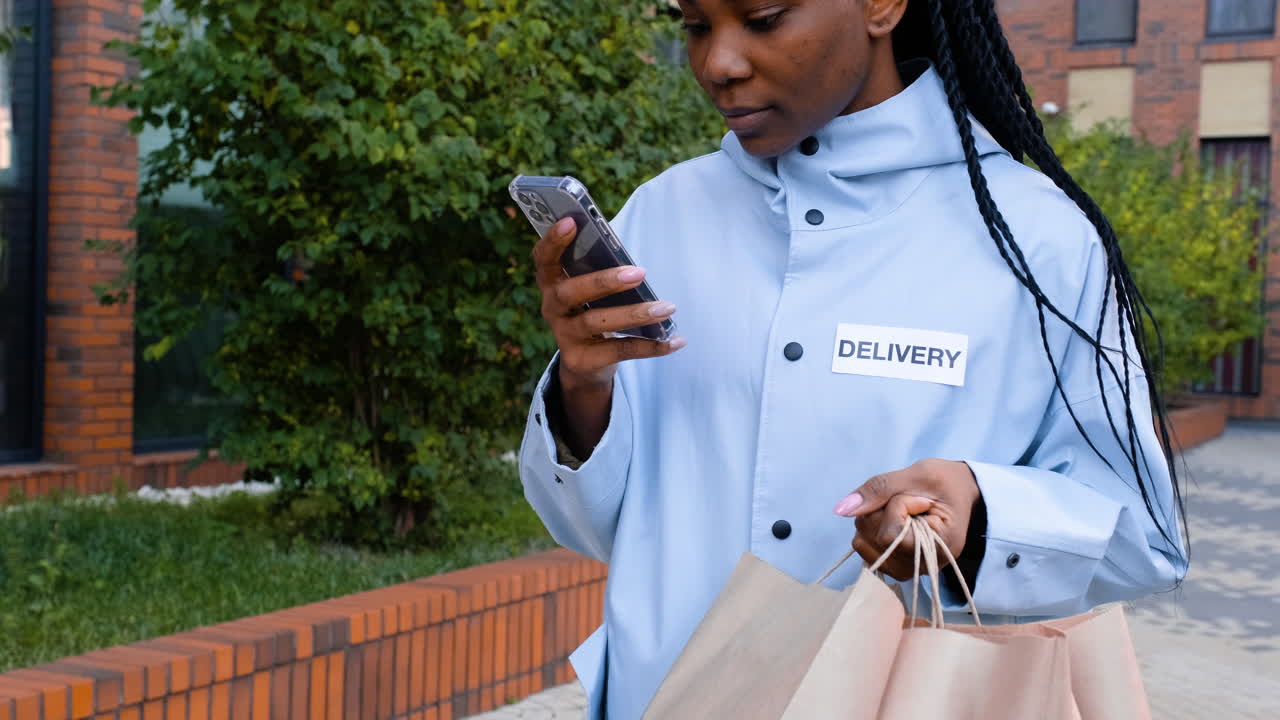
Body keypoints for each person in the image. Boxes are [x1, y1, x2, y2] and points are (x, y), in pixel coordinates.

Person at [518, 1, 1188, 718]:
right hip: (662, 699)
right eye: (696, 25)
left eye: (763, 18)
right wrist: (582, 387)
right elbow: (592, 530)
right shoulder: (662, 213)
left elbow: (1142, 542)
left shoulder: (1038, 239)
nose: (718, 64)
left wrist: (980, 516)